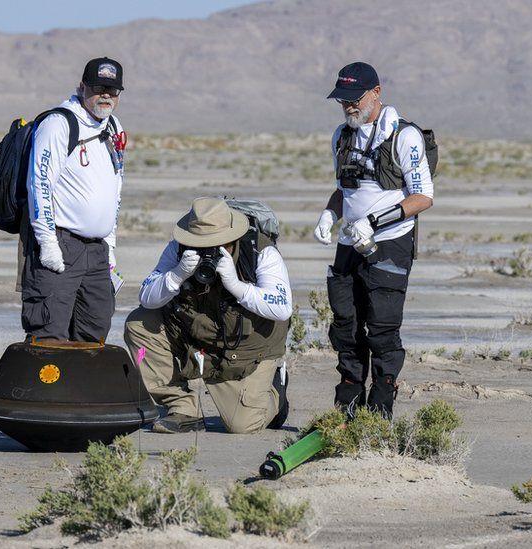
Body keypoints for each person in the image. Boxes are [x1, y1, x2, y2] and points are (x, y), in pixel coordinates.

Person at [314, 61, 434, 419]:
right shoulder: (342, 136)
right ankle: (347, 408)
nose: (348, 106)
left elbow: (423, 197)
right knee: (346, 328)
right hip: (350, 245)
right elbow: (344, 190)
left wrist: (375, 221)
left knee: (381, 329)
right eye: (342, 101)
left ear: (376, 93)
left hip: (390, 244)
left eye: (354, 99)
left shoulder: (404, 136)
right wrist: (329, 214)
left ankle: (380, 409)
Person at [124, 197, 292, 434]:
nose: (207, 251)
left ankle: (276, 390)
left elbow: (283, 307)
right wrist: (176, 275)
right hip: (197, 338)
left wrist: (236, 286)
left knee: (242, 426)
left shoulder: (260, 252)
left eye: (217, 244)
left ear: (233, 237)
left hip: (246, 351)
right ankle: (182, 408)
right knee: (140, 323)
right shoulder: (178, 248)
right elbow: (147, 297)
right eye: (199, 244)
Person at [21, 57, 126, 342]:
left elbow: (115, 186)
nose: (105, 95)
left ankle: (83, 388)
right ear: (82, 87)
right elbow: (39, 184)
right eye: (98, 87)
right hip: (61, 242)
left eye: (113, 90)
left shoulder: (112, 126)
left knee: (95, 331)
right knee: (50, 332)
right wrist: (47, 244)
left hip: (98, 251)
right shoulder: (59, 124)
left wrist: (110, 244)